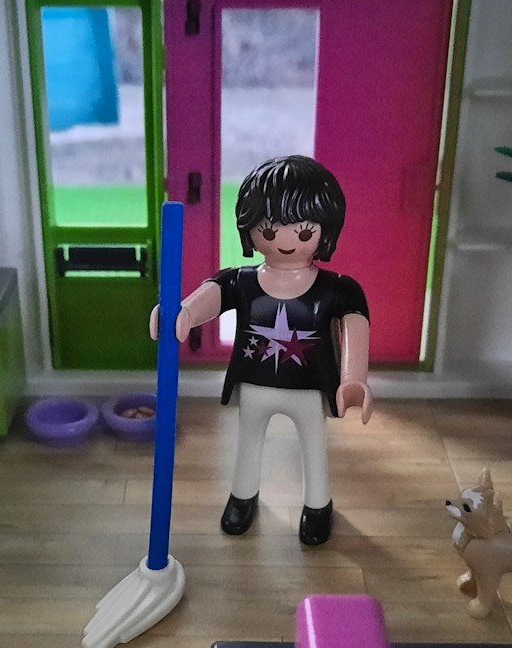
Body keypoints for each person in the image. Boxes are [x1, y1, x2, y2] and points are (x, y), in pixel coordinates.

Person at [151, 155, 372, 545]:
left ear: (325, 231)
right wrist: (182, 313)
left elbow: (355, 324)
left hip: (308, 387)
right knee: (248, 442)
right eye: (269, 229)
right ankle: (242, 496)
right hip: (254, 383)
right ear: (249, 228)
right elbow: (211, 296)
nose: (284, 241)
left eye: (303, 232)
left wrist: (353, 377)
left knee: (313, 446)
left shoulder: (338, 289)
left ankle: (318, 505)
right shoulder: (242, 280)